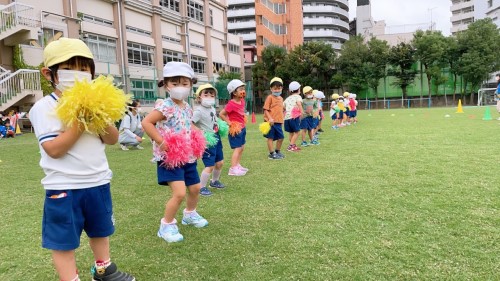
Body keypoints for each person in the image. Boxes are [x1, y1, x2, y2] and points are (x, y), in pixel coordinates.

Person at [28, 38, 134, 281]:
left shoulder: (95, 104)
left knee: (101, 229)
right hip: (64, 187)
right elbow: (54, 150)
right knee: (64, 240)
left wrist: (97, 115)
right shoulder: (44, 107)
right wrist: (79, 121)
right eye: (69, 68)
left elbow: (112, 138)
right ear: (49, 73)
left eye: (84, 68)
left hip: (97, 181)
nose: (77, 74)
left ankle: (103, 269)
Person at [142, 61, 208, 243]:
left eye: (185, 84)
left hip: (187, 157)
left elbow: (188, 124)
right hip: (170, 158)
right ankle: (166, 225)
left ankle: (190, 214)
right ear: (166, 85)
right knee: (179, 193)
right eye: (175, 83)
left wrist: (199, 133)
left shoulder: (186, 106)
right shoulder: (165, 105)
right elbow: (147, 122)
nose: (180, 87)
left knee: (195, 188)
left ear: (191, 85)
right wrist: (160, 141)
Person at [192, 83, 226, 196]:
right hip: (207, 140)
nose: (209, 97)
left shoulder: (212, 108)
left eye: (212, 95)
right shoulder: (198, 111)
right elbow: (190, 124)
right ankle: (201, 187)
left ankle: (214, 181)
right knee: (209, 165)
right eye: (206, 94)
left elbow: (214, 120)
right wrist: (201, 133)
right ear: (199, 97)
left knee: (220, 162)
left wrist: (220, 125)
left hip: (216, 137)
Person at [219, 79, 248, 176]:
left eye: (243, 88)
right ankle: (233, 169)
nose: (243, 91)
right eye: (240, 89)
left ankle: (237, 165)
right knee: (237, 148)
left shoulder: (242, 101)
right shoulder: (231, 104)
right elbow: (221, 114)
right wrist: (229, 122)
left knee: (242, 147)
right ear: (234, 92)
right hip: (235, 129)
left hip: (242, 127)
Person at [263, 77, 285, 159]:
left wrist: (282, 120)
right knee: (270, 138)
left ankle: (277, 151)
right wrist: (270, 119)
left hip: (279, 122)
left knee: (281, 137)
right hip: (270, 122)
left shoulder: (281, 98)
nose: (277, 90)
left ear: (281, 88)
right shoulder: (270, 97)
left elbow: (280, 110)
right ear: (271, 89)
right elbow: (266, 109)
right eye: (275, 89)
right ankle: (272, 154)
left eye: (279, 88)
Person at [283, 81, 303, 152]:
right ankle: (291, 146)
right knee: (297, 132)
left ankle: (293, 145)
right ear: (298, 89)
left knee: (291, 132)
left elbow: (283, 107)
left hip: (287, 118)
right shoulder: (298, 97)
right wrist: (302, 112)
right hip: (294, 117)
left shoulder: (287, 99)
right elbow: (299, 104)